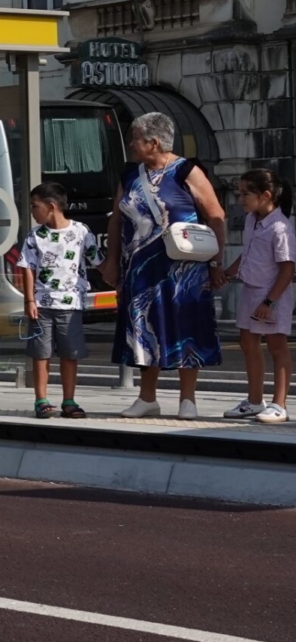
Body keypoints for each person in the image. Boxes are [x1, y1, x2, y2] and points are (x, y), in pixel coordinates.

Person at [104, 111, 224, 419]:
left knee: (186, 328)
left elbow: (215, 216)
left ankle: (188, 399)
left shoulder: (187, 170)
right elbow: (117, 218)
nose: (130, 144)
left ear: (154, 143)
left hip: (184, 270)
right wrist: (112, 260)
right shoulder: (130, 174)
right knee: (144, 326)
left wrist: (216, 261)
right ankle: (147, 398)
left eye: (135, 138)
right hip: (139, 268)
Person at [17, 182, 102, 419]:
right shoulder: (35, 236)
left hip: (71, 304)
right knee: (40, 353)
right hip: (42, 305)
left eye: (35, 206)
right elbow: (28, 267)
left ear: (51, 206)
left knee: (70, 353)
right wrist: (30, 301)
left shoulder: (81, 232)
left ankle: (69, 400)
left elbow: (97, 260)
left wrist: (120, 282)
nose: (32, 211)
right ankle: (41, 399)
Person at [221, 169, 292, 423]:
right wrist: (228, 274)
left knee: (277, 346)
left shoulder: (280, 228)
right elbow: (248, 253)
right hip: (251, 291)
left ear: (265, 195)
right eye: (239, 193)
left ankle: (279, 405)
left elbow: (287, 268)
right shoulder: (253, 220)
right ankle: (254, 400)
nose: (241, 199)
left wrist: (270, 302)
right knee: (248, 343)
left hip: (273, 295)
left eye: (246, 194)